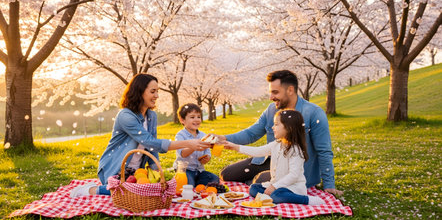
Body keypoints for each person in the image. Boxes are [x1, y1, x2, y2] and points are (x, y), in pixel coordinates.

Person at [70, 74, 211, 197]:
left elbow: (152, 149)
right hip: (116, 169)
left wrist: (157, 172)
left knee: (155, 191)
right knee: (136, 192)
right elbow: (149, 141)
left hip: (138, 171)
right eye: (153, 91)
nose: (157, 96)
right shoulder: (125, 115)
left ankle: (121, 188)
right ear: (140, 92)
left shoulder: (151, 116)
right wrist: (187, 143)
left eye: (157, 91)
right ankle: (92, 190)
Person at [218, 70, 343, 196]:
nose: (271, 97)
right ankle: (254, 180)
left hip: (295, 170)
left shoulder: (314, 113)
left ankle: (257, 181)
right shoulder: (272, 110)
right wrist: (223, 138)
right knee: (226, 174)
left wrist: (329, 185)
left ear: (290, 90)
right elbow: (251, 133)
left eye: (275, 92)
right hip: (272, 160)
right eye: (271, 92)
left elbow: (324, 151)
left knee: (259, 180)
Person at [224, 110, 325, 205]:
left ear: (289, 128)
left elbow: (293, 175)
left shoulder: (295, 150)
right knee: (253, 188)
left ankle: (306, 199)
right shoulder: (276, 144)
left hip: (293, 188)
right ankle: (272, 196)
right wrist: (236, 147)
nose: (273, 127)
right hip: (276, 185)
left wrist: (274, 187)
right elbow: (258, 151)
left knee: (277, 195)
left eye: (276, 124)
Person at [173, 103, 220, 186]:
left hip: (199, 171)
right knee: (187, 183)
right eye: (192, 117)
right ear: (182, 120)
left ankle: (197, 185)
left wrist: (207, 158)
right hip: (185, 170)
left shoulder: (203, 135)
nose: (197, 119)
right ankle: (193, 184)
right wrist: (194, 146)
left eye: (199, 117)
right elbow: (182, 154)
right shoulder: (180, 135)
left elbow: (207, 151)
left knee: (214, 179)